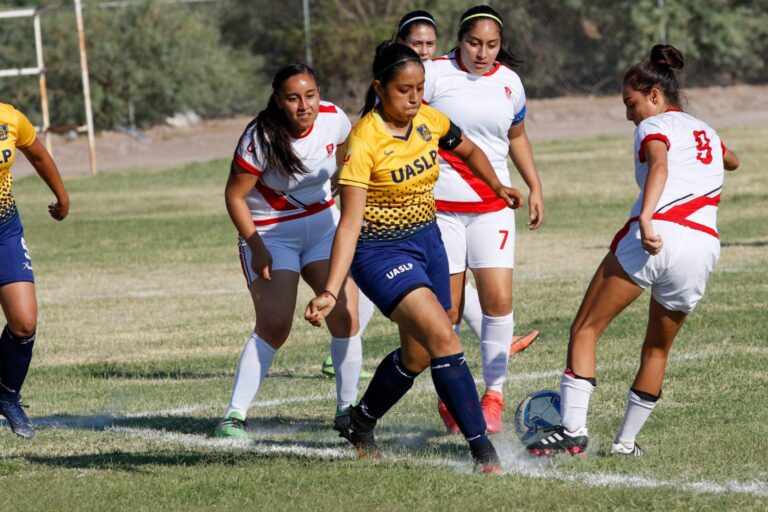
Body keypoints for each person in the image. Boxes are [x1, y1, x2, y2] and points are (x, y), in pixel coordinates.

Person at [305, 42, 524, 472]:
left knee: (420, 354)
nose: (414, 97)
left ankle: (360, 422)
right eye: (404, 89)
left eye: (421, 88)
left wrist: (496, 185)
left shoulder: (429, 119)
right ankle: (485, 455)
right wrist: (332, 290)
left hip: (427, 242)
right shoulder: (363, 140)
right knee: (445, 338)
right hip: (380, 252)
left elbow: (468, 149)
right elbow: (348, 224)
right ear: (379, 87)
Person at [526, 44, 740, 457]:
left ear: (655, 96)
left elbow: (658, 163)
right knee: (657, 349)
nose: (630, 115)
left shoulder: (653, 125)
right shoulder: (705, 131)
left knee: (585, 329)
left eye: (632, 103)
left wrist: (646, 218)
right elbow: (733, 161)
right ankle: (625, 443)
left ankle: (572, 430)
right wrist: (716, 156)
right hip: (702, 247)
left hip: (657, 234)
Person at [215, 64, 365, 438]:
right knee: (275, 324)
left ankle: (348, 413)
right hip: (269, 234)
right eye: (293, 98)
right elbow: (234, 195)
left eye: (310, 95)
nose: (304, 105)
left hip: (322, 227)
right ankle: (234, 416)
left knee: (346, 315)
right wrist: (256, 246)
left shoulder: (335, 119)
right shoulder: (260, 136)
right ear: (278, 101)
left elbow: (346, 170)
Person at [422, 5, 544, 434]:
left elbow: (516, 136)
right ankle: (450, 399)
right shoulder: (433, 75)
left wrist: (535, 185)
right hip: (440, 210)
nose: (482, 52)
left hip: (493, 208)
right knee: (447, 312)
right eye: (475, 43)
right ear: (460, 39)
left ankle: (493, 396)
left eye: (491, 45)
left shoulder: (510, 82)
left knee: (498, 301)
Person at [0, 102, 69, 438]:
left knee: (24, 321)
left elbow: (38, 154)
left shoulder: (9, 118)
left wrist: (61, 195)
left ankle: (7, 395)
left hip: (4, 230)